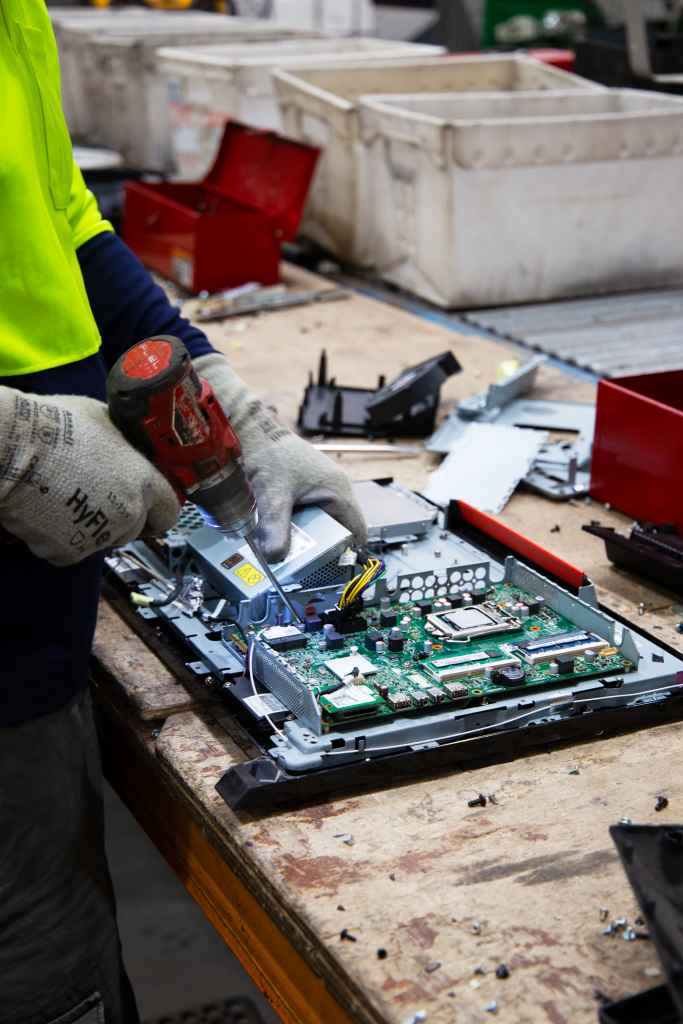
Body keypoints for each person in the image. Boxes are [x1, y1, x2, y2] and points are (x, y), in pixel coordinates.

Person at [0, 2, 366, 1022]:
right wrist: (8, 445)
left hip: (29, 643)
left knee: (64, 970)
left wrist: (219, 398)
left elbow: (55, 218)